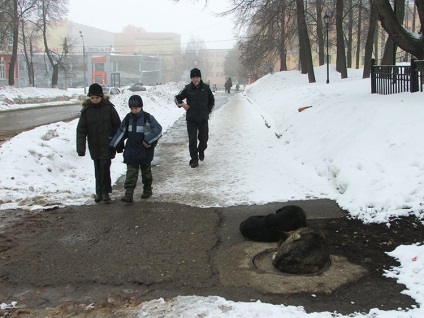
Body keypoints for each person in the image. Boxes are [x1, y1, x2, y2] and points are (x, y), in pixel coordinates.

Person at [110, 95, 162, 203]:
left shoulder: (148, 118)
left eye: (136, 108)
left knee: (146, 172)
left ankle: (147, 189)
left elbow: (158, 129)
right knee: (131, 173)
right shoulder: (128, 118)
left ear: (141, 107)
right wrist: (113, 144)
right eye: (132, 109)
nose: (134, 111)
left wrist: (148, 140)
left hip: (145, 150)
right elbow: (121, 132)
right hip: (131, 150)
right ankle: (129, 193)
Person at [76, 83, 121, 203]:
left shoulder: (109, 108)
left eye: (97, 98)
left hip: (108, 143)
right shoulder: (86, 111)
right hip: (94, 145)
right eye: (92, 98)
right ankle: (99, 193)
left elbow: (118, 127)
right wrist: (81, 148)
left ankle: (106, 192)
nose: (95, 100)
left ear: (101, 97)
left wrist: (119, 145)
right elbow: (81, 131)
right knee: (97, 169)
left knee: (105, 167)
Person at [175, 68, 215, 168]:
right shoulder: (187, 88)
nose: (195, 79)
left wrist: (207, 110)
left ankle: (201, 150)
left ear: (200, 78)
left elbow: (212, 100)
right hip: (191, 119)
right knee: (192, 140)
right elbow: (177, 98)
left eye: (197, 77)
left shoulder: (206, 88)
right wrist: (183, 104)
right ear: (191, 78)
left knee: (204, 140)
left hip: (203, 119)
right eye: (193, 77)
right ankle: (194, 159)